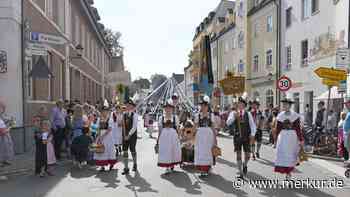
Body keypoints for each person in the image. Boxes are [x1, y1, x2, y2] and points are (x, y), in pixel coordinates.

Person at [226, 96, 256, 178]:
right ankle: (240, 172)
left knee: (247, 155)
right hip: (237, 137)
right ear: (237, 104)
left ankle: (245, 164)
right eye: (239, 103)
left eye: (242, 104)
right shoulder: (233, 113)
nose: (240, 105)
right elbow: (228, 123)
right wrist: (234, 117)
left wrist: (253, 135)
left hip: (246, 137)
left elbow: (253, 126)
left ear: (244, 105)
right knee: (238, 155)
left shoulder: (248, 114)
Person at [274, 97, 303, 180]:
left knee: (291, 155)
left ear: (290, 106)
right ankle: (287, 173)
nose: (284, 106)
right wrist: (275, 140)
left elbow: (298, 128)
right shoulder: (280, 115)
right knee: (283, 154)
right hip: (283, 138)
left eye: (286, 104)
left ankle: (289, 173)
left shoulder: (295, 115)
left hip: (292, 138)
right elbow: (277, 129)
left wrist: (301, 139)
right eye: (284, 104)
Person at [194, 95, 217, 177]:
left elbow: (213, 127)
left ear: (208, 106)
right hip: (200, 136)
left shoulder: (211, 115)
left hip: (208, 136)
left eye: (205, 105)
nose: (203, 107)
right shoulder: (197, 115)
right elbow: (195, 126)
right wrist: (193, 135)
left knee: (208, 152)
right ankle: (202, 169)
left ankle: (208, 167)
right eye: (202, 105)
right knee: (201, 151)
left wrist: (215, 139)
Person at [157, 99, 182, 174]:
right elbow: (160, 129)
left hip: (173, 136)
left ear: (172, 109)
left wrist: (179, 137)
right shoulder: (161, 118)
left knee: (172, 151)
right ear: (164, 109)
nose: (168, 109)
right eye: (166, 108)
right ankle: (167, 166)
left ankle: (171, 165)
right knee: (165, 151)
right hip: (164, 137)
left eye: (170, 108)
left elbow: (177, 128)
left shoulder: (175, 118)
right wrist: (158, 139)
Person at [94, 105, 117, 171]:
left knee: (109, 149)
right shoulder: (99, 118)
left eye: (106, 111)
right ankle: (102, 165)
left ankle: (111, 164)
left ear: (107, 112)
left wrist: (103, 136)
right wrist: (98, 136)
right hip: (101, 135)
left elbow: (109, 129)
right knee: (101, 149)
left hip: (108, 136)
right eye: (103, 111)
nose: (104, 112)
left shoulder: (110, 119)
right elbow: (98, 128)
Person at [121, 99, 139, 175]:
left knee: (132, 150)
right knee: (125, 150)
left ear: (132, 106)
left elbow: (134, 127)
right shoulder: (124, 115)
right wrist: (125, 135)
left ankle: (135, 164)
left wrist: (129, 135)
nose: (128, 107)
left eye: (129, 105)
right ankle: (126, 168)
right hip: (125, 135)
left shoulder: (135, 115)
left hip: (132, 135)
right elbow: (123, 126)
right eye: (127, 105)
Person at [0, 101, 14, 167]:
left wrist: (10, 122)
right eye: (2, 108)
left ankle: (5, 160)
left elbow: (7, 121)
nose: (3, 109)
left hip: (5, 136)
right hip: (2, 136)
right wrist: (10, 127)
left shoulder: (3, 116)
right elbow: (3, 131)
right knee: (2, 149)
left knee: (6, 148)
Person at [343, 98, 350, 167]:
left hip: (349, 133)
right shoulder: (348, 112)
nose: (346, 105)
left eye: (347, 104)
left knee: (349, 147)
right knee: (347, 147)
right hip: (347, 133)